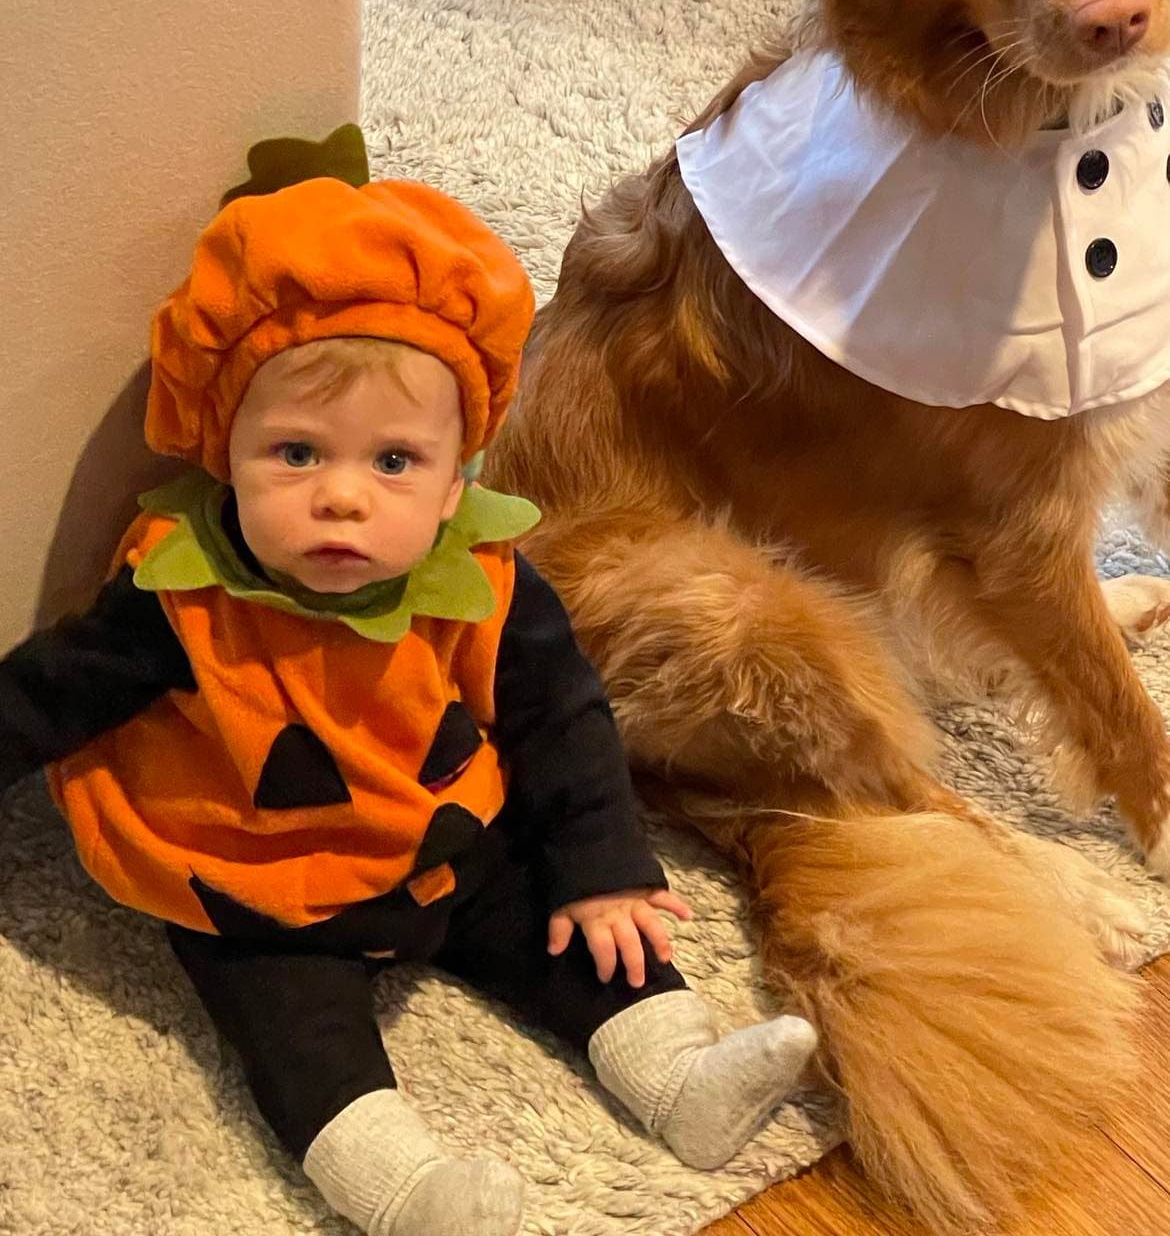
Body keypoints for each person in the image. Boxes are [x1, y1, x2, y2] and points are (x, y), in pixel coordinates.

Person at [0, 174, 818, 1235]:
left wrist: (605, 871)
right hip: (262, 889)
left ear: (452, 482)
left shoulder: (486, 577)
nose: (343, 494)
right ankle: (408, 1193)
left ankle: (679, 1072)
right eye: (297, 453)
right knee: (295, 1037)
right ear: (224, 455)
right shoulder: (177, 597)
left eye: (394, 461)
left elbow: (562, 718)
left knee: (579, 933)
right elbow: (44, 695)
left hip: (448, 845)